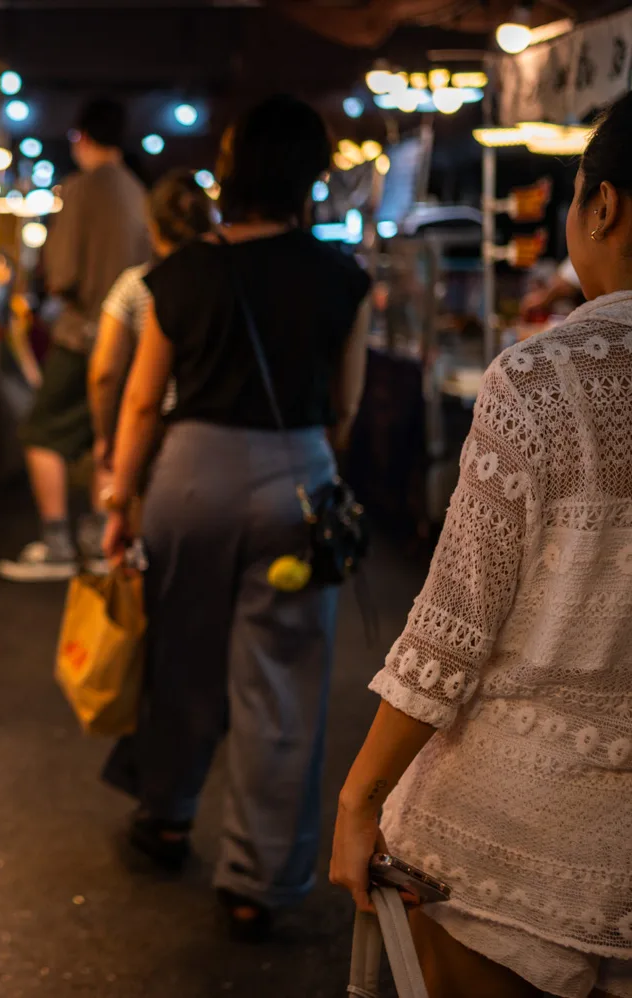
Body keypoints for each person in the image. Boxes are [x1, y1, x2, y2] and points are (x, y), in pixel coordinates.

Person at [332, 92, 632, 998]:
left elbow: (453, 629)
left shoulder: (546, 378)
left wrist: (359, 797)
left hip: (511, 843)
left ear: (603, 206)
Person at [99, 95, 371, 939]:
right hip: (295, 477)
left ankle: (169, 816)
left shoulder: (179, 274)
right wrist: (298, 461)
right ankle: (258, 876)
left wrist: (119, 502)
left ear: (234, 167)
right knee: (281, 683)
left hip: (189, 479)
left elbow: (143, 404)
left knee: (179, 657)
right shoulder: (342, 276)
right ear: (310, 178)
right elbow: (346, 406)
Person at [0, 97, 152, 582]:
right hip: (132, 339)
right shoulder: (137, 191)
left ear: (82, 138)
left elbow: (61, 273)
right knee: (107, 440)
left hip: (83, 335)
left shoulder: (81, 189)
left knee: (41, 433)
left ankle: (58, 543)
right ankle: (99, 540)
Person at [87, 170, 214, 489]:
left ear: (153, 227)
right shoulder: (224, 286)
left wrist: (106, 437)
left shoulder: (136, 285)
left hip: (152, 434)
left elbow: (105, 372)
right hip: (215, 437)